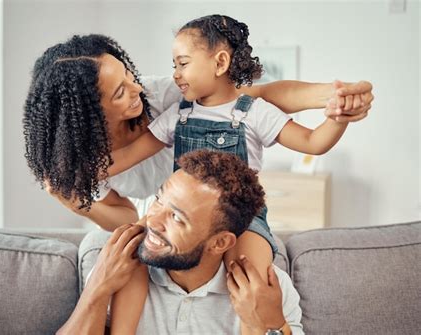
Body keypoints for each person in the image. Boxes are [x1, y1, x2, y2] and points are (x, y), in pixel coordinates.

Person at [106, 14, 362, 334]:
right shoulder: (178, 115)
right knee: (129, 253)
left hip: (244, 219)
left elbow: (313, 142)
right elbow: (129, 154)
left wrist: (339, 118)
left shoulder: (254, 113)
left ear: (220, 62)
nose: (176, 75)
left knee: (248, 278)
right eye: (173, 65)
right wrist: (75, 169)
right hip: (184, 212)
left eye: (183, 63)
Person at [23, 34, 374, 231]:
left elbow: (258, 96)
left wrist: (334, 95)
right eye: (119, 92)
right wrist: (76, 203)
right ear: (86, 116)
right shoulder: (80, 159)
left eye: (128, 74)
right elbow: (126, 217)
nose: (136, 89)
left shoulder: (163, 96)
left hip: (217, 204)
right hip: (166, 216)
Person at [57, 150, 304, 335]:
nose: (152, 220)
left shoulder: (268, 291)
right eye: (158, 200)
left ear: (219, 243)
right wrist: (97, 288)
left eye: (176, 217)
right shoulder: (117, 271)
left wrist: (274, 325)